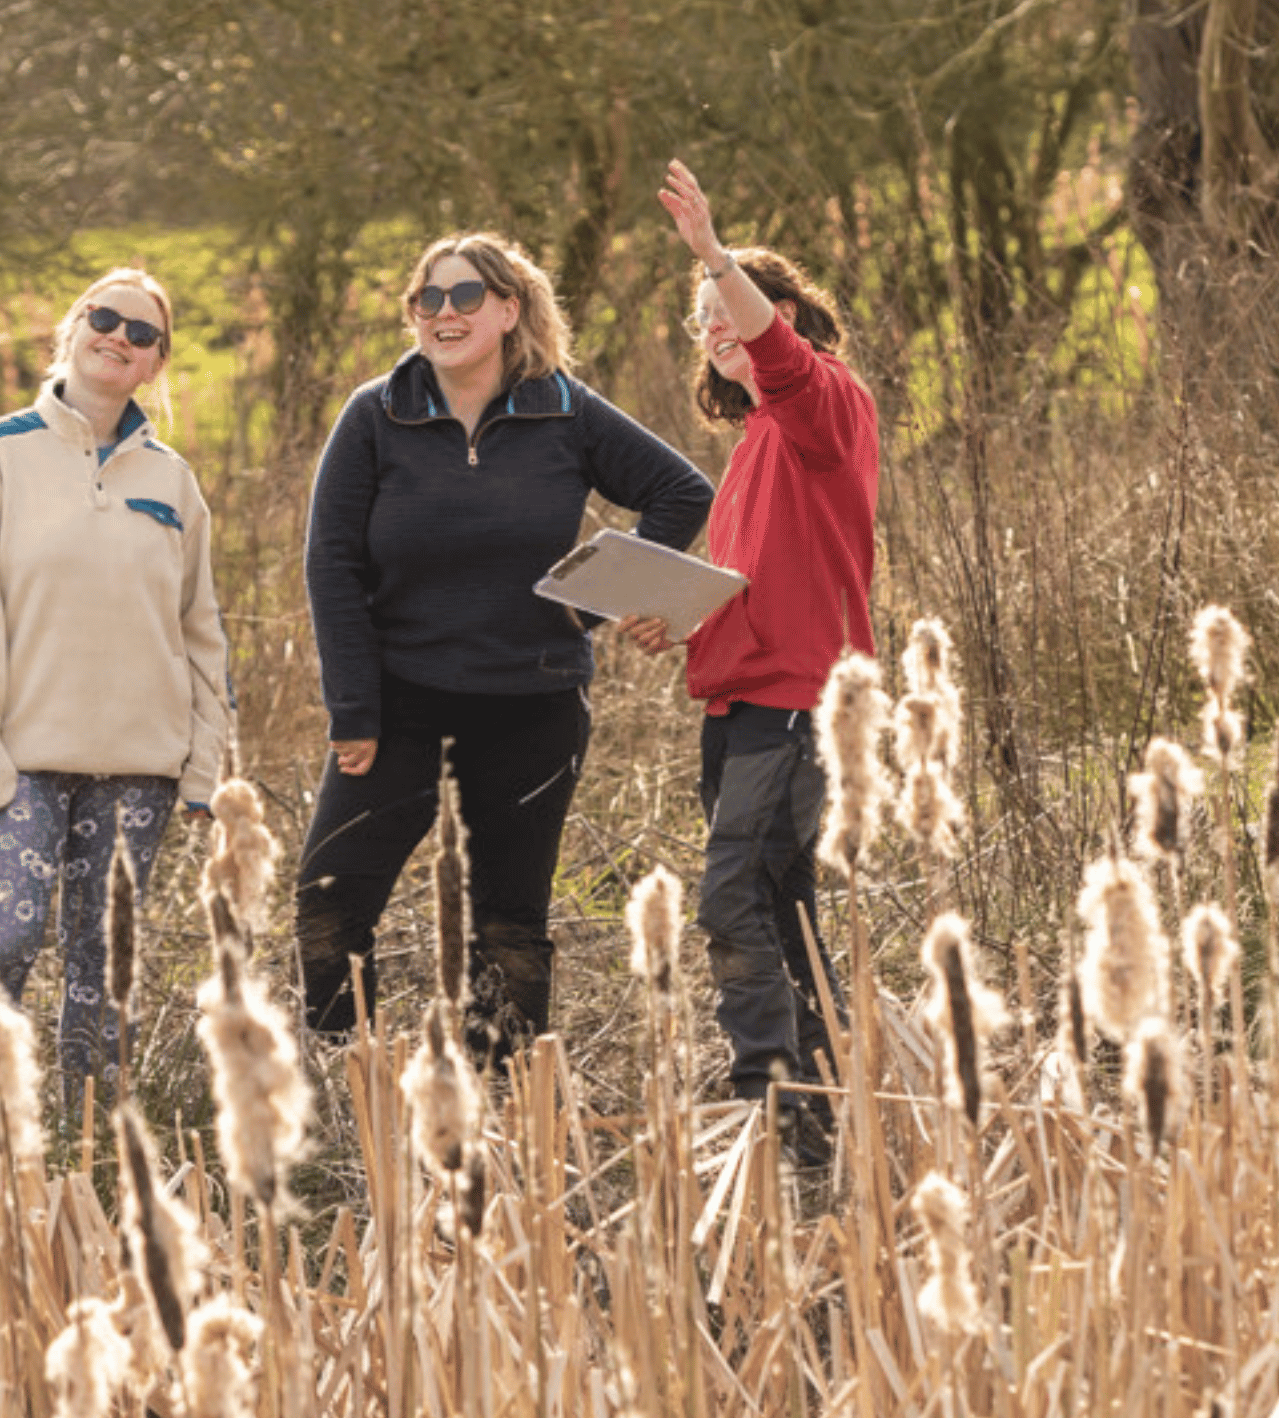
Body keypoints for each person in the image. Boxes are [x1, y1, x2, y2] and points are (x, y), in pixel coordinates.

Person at [298, 231, 713, 1066]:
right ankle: (346, 1088)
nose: (443, 314)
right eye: (428, 299)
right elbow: (331, 567)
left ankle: (503, 1095)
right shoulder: (375, 414)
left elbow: (681, 490)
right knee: (330, 900)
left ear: (509, 309)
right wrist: (354, 709)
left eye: (465, 297)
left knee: (510, 922)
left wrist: (590, 607)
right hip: (399, 702)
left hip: (534, 703)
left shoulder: (564, 408)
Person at [624, 159, 879, 1151]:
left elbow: (779, 357)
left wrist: (715, 257)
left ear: (786, 313)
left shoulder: (820, 409)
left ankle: (767, 1090)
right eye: (700, 316)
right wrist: (680, 620)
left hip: (797, 702)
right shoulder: (757, 447)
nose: (715, 324)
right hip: (737, 702)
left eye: (730, 306)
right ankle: (818, 1096)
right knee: (778, 893)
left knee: (733, 890)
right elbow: (756, 588)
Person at [0, 267, 231, 1099]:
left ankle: (89, 1137)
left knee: (108, 958)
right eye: (106, 318)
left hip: (142, 764)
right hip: (19, 756)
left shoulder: (172, 481)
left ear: (156, 364)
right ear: (73, 328)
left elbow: (200, 629)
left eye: (143, 334)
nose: (120, 339)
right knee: (6, 931)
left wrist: (205, 761)